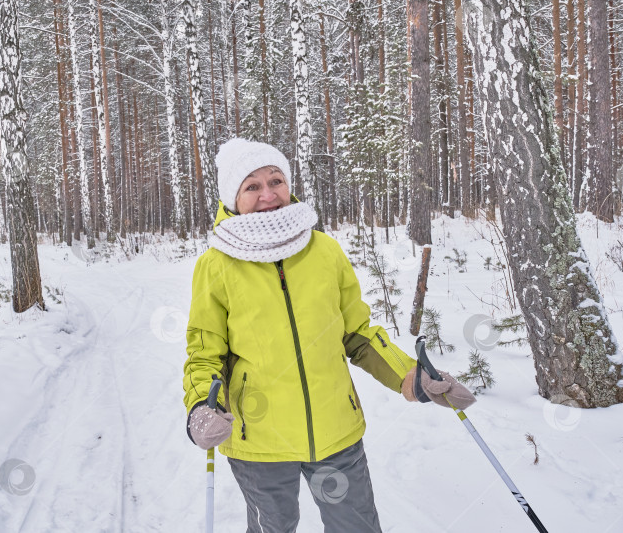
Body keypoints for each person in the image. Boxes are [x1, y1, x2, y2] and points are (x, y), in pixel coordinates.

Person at [182, 138, 475, 533]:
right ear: (232, 198)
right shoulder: (216, 264)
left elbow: (357, 333)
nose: (268, 194)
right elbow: (205, 354)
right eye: (252, 186)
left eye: (276, 180)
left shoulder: (324, 250)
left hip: (336, 433)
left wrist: (411, 376)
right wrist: (202, 404)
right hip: (258, 441)